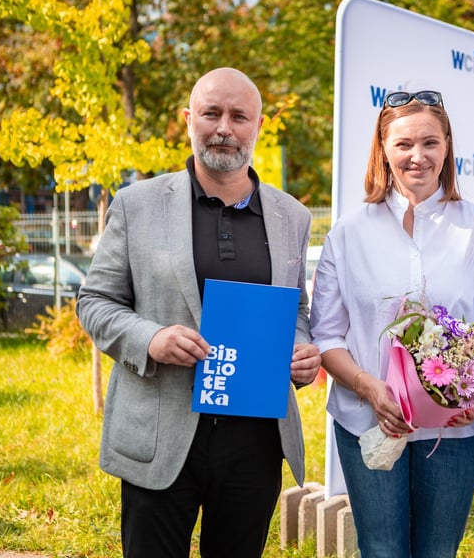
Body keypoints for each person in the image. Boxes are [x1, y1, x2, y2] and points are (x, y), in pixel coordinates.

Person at [76, 67, 321, 558]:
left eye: (239, 116)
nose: (224, 128)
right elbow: (95, 301)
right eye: (211, 113)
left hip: (255, 439)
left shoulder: (291, 215)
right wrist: (150, 338)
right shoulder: (137, 205)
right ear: (189, 119)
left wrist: (300, 349)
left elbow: (296, 307)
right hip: (161, 432)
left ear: (258, 126)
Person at [310, 89, 474, 557]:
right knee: (382, 549)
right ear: (383, 149)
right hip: (367, 418)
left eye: (430, 143)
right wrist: (368, 388)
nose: (417, 156)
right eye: (403, 144)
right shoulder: (349, 232)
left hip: (455, 428)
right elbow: (326, 334)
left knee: (438, 551)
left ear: (447, 147)